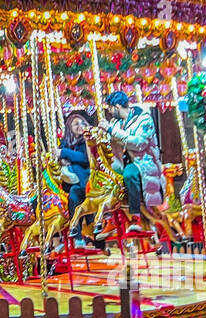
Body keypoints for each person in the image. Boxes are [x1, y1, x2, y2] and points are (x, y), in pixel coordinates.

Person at [101, 91, 163, 214]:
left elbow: (138, 144)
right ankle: (112, 215)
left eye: (110, 108)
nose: (110, 112)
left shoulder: (144, 119)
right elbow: (111, 139)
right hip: (122, 161)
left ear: (117, 106)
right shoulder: (116, 122)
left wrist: (110, 130)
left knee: (129, 174)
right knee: (104, 177)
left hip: (143, 162)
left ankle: (136, 213)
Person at [58, 109, 94, 245]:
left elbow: (85, 158)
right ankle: (73, 235)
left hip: (87, 180)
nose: (80, 126)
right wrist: (64, 156)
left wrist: (65, 153)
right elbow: (61, 160)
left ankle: (82, 234)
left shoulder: (86, 140)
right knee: (71, 197)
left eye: (82, 123)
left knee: (78, 196)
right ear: (69, 128)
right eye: (76, 124)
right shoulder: (66, 143)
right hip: (71, 183)